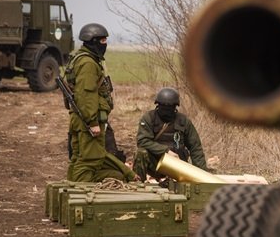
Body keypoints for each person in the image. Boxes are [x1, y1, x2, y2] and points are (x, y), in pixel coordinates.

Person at [64, 22, 137, 182]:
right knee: (89, 161)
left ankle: (69, 190)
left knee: (78, 159)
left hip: (80, 119)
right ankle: (79, 196)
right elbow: (86, 94)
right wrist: (92, 122)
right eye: (102, 41)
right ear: (93, 41)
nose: (105, 44)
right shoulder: (88, 64)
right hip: (87, 121)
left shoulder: (81, 59)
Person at [133, 87, 207, 182]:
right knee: (141, 153)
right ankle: (138, 184)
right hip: (155, 164)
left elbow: (195, 148)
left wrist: (203, 175)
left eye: (170, 107)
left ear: (175, 107)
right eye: (163, 107)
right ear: (158, 105)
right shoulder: (149, 118)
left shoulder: (183, 122)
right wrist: (166, 151)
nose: (166, 110)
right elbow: (142, 141)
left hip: (178, 166)